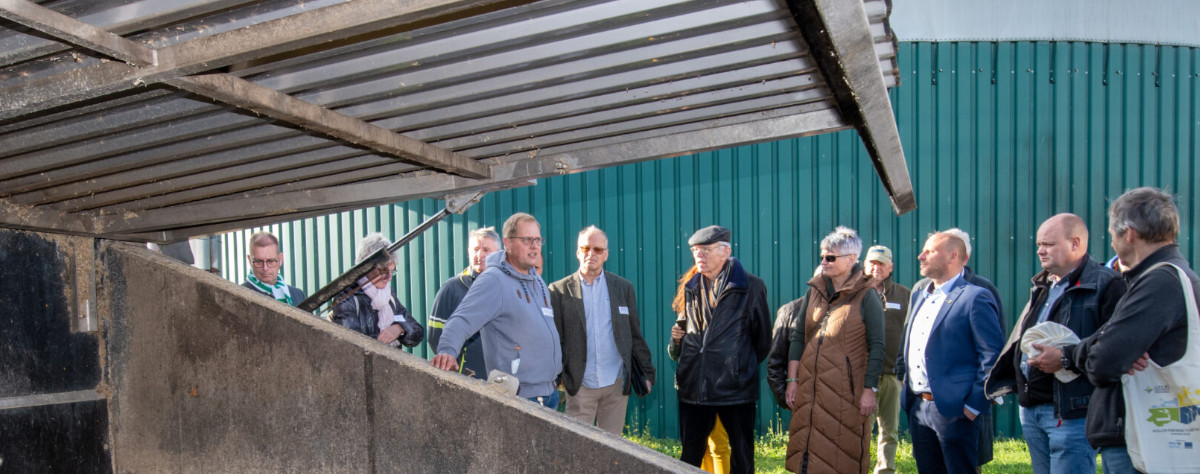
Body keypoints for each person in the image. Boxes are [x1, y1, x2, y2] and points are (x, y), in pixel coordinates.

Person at [1030, 188, 1197, 473]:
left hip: (1141, 437)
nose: (1112, 240)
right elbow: (1106, 343)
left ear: (1129, 233)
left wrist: (1074, 354)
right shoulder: (1168, 276)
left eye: (1112, 233)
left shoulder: (1159, 281)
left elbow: (1104, 362)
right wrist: (1096, 346)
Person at [984, 214, 1126, 474]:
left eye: (1048, 244)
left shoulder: (1107, 284)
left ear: (1075, 243)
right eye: (1039, 244)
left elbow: (1116, 346)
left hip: (1073, 411)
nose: (1040, 250)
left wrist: (1064, 357)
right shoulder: (1044, 284)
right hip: (1033, 408)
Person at [897, 230, 1005, 474]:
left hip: (955, 410)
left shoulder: (975, 297)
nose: (920, 256)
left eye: (929, 251)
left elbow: (992, 357)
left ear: (953, 256)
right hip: (918, 407)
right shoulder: (919, 295)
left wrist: (973, 405)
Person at [431, 213, 563, 409]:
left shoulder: (538, 281)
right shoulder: (494, 280)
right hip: (519, 397)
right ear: (507, 243)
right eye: (527, 239)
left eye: (537, 239)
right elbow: (461, 320)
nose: (534, 245)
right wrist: (447, 351)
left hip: (548, 394)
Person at [668, 225, 770, 474]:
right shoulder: (691, 287)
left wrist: (737, 366)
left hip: (734, 389)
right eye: (695, 251)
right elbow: (688, 340)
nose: (699, 256)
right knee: (690, 454)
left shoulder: (752, 287)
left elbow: (763, 340)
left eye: (705, 250)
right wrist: (677, 342)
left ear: (725, 251)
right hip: (694, 387)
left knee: (742, 455)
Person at [784, 227, 885, 474]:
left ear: (851, 259)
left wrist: (869, 389)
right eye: (822, 257)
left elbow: (878, 346)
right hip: (809, 388)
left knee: (841, 457)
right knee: (806, 454)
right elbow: (798, 336)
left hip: (846, 393)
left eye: (830, 257)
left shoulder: (867, 296)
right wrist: (792, 379)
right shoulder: (814, 291)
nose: (824, 262)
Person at [549, 226, 655, 435]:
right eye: (586, 248)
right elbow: (556, 339)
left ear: (606, 255)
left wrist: (647, 372)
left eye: (598, 249)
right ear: (578, 252)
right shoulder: (559, 290)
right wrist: (556, 376)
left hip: (616, 383)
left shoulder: (623, 288)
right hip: (580, 384)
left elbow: (634, 333)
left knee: (613, 449)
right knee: (577, 448)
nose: (591, 254)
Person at [427, 227, 501, 379]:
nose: (480, 255)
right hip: (464, 377)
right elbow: (435, 336)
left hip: (501, 379)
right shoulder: (452, 288)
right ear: (468, 252)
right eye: (475, 249)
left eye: (486, 250)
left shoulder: (506, 288)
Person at [863, 245, 910, 474]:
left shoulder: (904, 294)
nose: (876, 267)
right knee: (861, 429)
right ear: (864, 265)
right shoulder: (856, 293)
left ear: (890, 267)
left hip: (892, 375)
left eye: (881, 263)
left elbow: (912, 333)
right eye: (872, 262)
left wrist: (904, 373)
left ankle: (885, 470)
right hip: (863, 379)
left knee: (889, 431)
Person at [332, 233, 424, 348]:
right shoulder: (347, 298)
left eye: (392, 271)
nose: (389, 278)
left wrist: (400, 328)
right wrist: (383, 337)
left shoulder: (388, 295)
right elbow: (351, 344)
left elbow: (418, 331)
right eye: (383, 271)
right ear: (365, 267)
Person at [241, 231, 308, 307]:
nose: (265, 268)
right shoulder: (239, 296)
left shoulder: (298, 295)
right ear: (250, 260)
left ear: (280, 259)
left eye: (271, 261)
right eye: (259, 262)